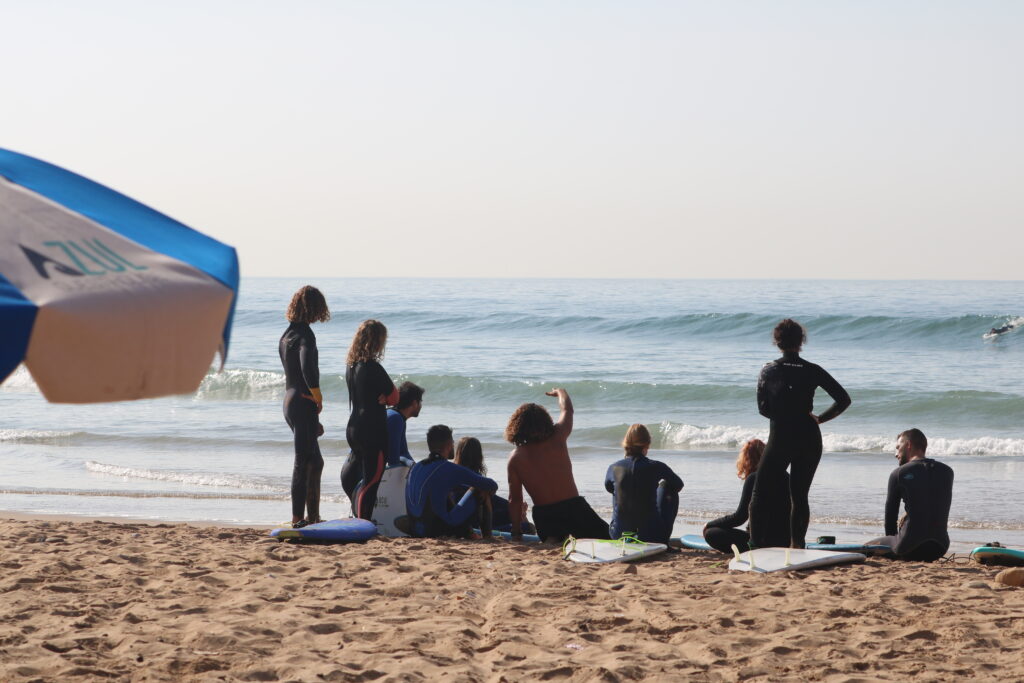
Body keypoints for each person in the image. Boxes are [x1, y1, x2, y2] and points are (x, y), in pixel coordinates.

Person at [749, 319, 851, 549]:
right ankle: (797, 546)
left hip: (781, 436)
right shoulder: (812, 369)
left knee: (760, 493)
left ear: (777, 341)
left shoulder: (769, 369)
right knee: (800, 496)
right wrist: (819, 418)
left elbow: (763, 408)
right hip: (809, 437)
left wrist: (784, 415)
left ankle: (754, 546)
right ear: (801, 341)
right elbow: (844, 400)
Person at [506, 388, 609, 543]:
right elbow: (568, 410)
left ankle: (554, 538)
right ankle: (562, 536)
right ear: (545, 421)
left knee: (553, 535)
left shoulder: (515, 458)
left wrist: (516, 532)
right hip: (575, 510)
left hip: (545, 517)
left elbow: (515, 499)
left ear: (517, 426)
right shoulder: (558, 436)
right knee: (608, 538)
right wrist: (561, 392)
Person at [278, 286, 330, 528]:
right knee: (303, 460)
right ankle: (298, 518)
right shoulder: (306, 336)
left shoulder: (286, 335)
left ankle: (313, 517)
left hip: (290, 401)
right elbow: (307, 365)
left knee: (315, 461)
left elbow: (293, 371)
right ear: (314, 308)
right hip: (302, 401)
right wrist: (317, 397)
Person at [343, 320, 399, 520]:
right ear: (377, 341)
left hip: (354, 427)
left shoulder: (351, 366)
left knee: (359, 478)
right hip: (372, 430)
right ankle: (363, 523)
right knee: (372, 481)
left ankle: (356, 517)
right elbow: (395, 398)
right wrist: (385, 397)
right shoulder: (374, 367)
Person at [869, 429, 953, 561]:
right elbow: (932, 502)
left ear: (908, 445)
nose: (896, 453)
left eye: (898, 447)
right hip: (940, 546)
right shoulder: (947, 471)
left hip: (908, 547)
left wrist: (894, 543)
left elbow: (890, 517)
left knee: (867, 547)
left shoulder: (898, 474)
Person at [405, 425, 498, 538]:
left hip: (414, 529)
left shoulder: (415, 467)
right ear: (449, 444)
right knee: (481, 490)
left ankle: (470, 533)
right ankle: (488, 537)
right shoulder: (448, 468)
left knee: (445, 493)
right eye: (453, 442)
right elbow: (491, 484)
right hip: (438, 531)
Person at [702, 438, 789, 553]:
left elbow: (740, 517)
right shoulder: (786, 475)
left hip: (761, 542)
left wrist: (709, 524)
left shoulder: (754, 478)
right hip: (786, 541)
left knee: (711, 533)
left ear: (746, 460)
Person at [604, 424, 683, 544]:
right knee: (667, 486)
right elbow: (678, 485)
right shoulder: (656, 466)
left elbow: (609, 488)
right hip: (652, 536)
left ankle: (626, 527)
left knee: (619, 490)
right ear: (647, 444)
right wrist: (654, 488)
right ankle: (663, 539)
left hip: (618, 535)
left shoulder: (613, 468)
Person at [454, 436, 535, 534]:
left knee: (512, 511)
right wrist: (517, 508)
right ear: (479, 457)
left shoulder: (454, 476)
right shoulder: (479, 481)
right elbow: (494, 497)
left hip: (463, 522)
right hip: (477, 526)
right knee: (527, 526)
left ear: (459, 454)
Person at [386, 381, 424, 468]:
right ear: (415, 403)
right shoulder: (395, 419)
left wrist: (417, 469)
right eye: (420, 401)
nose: (421, 405)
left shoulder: (397, 416)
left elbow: (403, 452)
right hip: (361, 472)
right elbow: (393, 461)